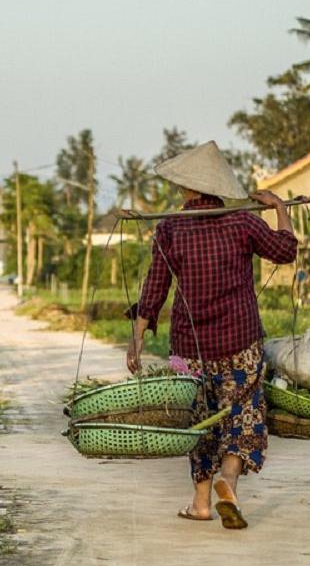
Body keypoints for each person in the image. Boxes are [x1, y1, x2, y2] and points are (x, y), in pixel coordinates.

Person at [125, 141, 299, 530]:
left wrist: (136, 337)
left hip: (187, 349)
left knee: (199, 421)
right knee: (243, 414)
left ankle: (201, 502)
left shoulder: (170, 228)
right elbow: (286, 251)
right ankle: (229, 483)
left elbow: (154, 289)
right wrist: (281, 209)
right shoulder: (243, 222)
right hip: (239, 342)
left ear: (187, 188)